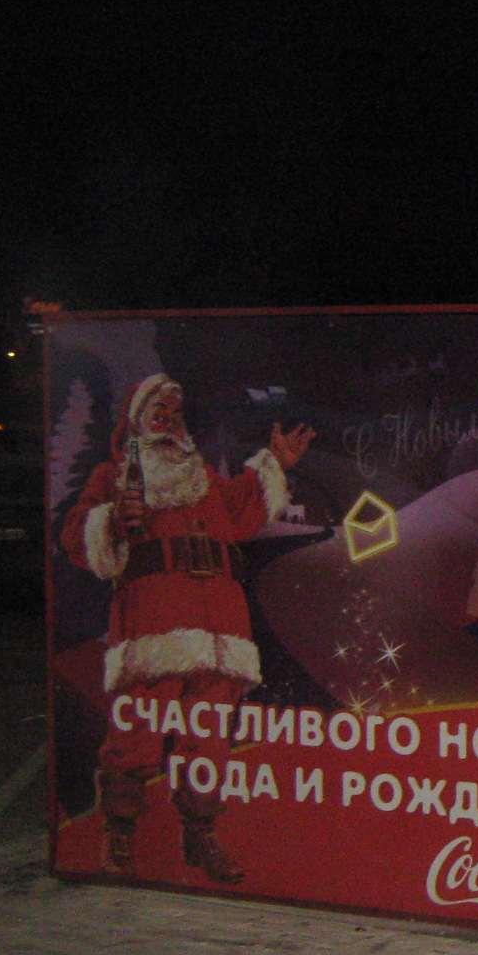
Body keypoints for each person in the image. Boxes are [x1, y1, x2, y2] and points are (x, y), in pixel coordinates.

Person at [59, 373, 313, 882]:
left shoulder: (204, 481)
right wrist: (111, 521)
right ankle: (120, 835)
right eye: (159, 409)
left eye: (175, 411)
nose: (169, 419)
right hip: (155, 622)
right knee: (138, 731)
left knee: (210, 738)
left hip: (220, 624)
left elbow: (241, 511)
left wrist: (274, 465)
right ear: (136, 420)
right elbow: (76, 537)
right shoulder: (113, 476)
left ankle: (200, 836)